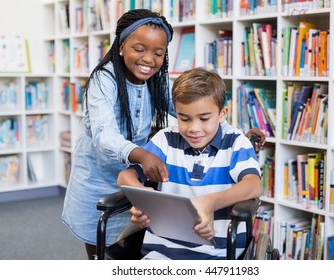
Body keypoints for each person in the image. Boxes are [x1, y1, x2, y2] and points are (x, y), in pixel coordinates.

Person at [62, 9, 265, 260]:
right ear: (122, 46)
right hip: (101, 176)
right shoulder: (104, 80)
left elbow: (196, 107)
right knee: (100, 251)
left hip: (143, 181)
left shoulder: (158, 81)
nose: (148, 58)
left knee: (136, 237)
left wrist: (235, 134)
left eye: (158, 53)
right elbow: (104, 135)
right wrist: (141, 157)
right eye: (139, 49)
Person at [117, 67, 263, 260]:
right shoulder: (166, 139)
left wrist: (210, 202)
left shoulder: (235, 143)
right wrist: (144, 199)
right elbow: (125, 176)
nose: (194, 129)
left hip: (217, 254)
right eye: (184, 119)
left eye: (204, 118)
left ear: (222, 114)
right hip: (160, 253)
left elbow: (253, 184)